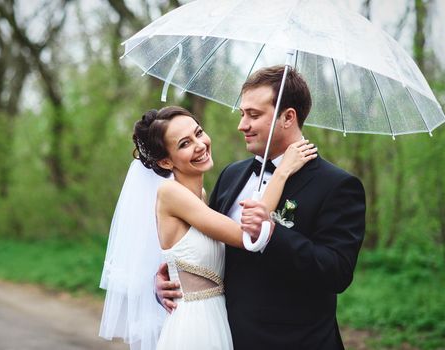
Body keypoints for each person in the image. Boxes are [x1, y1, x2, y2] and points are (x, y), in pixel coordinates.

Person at [156, 66, 366, 349]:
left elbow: (336, 272)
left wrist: (271, 235)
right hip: (224, 337)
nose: (242, 125)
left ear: (287, 117)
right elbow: (207, 245)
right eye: (243, 113)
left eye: (253, 115)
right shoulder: (231, 174)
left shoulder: (337, 186)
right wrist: (172, 278)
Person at [99, 105, 317, 350]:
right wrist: (282, 171)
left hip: (218, 318)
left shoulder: (201, 197)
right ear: (165, 161)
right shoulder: (170, 194)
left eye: (199, 132)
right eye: (184, 144)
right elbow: (247, 235)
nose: (200, 145)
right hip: (193, 326)